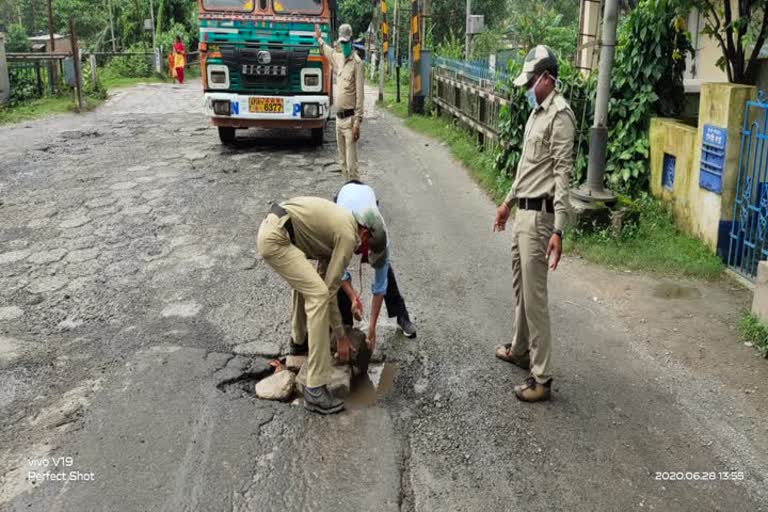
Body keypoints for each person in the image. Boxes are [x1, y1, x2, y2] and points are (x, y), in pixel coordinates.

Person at [492, 45, 576, 403]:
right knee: (520, 288)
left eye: (531, 81)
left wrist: (558, 229)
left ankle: (541, 377)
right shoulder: (537, 113)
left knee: (535, 297)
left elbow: (562, 175)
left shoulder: (560, 116)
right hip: (522, 213)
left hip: (541, 219)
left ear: (546, 78)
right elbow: (527, 167)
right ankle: (521, 349)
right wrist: (507, 202)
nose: (527, 87)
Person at [256, 197, 387, 414]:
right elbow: (328, 292)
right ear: (365, 233)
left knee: (309, 286)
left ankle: (298, 344)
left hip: (275, 230)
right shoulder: (347, 234)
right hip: (275, 237)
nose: (363, 253)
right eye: (367, 248)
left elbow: (327, 280)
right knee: (317, 295)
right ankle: (314, 388)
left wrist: (343, 318)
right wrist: (342, 337)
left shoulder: (341, 224)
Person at [333, 181, 416, 353]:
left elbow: (379, 288)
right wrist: (353, 297)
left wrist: (372, 328)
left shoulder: (381, 237)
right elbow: (339, 271)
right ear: (362, 237)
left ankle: (402, 315)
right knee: (335, 272)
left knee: (385, 271)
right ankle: (346, 325)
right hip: (345, 198)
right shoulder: (343, 231)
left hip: (366, 198)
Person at [314, 23, 364, 181]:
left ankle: (356, 194)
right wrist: (319, 39)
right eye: (341, 42)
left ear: (351, 41)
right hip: (338, 119)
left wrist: (357, 122)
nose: (344, 45)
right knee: (342, 162)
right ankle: (346, 193)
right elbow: (328, 52)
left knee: (351, 164)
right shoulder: (339, 57)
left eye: (346, 43)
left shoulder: (357, 64)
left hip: (350, 121)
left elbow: (360, 96)